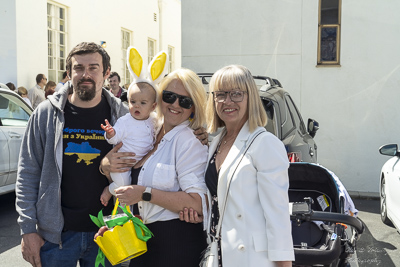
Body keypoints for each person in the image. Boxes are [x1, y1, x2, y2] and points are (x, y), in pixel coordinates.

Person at [15, 42, 129, 267]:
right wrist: (27, 229)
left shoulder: (122, 115)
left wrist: (196, 132)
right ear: (68, 73)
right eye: (78, 68)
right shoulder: (46, 114)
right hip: (56, 237)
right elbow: (27, 172)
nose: (85, 74)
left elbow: (153, 146)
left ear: (106, 73)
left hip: (109, 232)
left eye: (94, 67)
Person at [181, 65, 294, 267]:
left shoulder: (265, 143)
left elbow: (278, 217)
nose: (228, 101)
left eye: (236, 94)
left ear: (250, 97)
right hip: (219, 255)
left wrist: (284, 265)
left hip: (252, 259)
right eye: (221, 94)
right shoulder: (215, 142)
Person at [103, 68, 209, 267]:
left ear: (194, 107)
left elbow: (197, 203)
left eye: (185, 101)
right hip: (143, 242)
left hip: (175, 245)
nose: (175, 104)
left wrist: (144, 194)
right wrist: (105, 165)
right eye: (169, 96)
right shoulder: (150, 127)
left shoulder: (190, 140)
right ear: (159, 99)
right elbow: (123, 168)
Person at [99, 82, 158, 207]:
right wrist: (111, 133)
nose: (137, 106)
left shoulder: (154, 120)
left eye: (143, 103)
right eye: (133, 102)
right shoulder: (125, 121)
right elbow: (115, 138)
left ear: (153, 107)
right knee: (123, 186)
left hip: (142, 165)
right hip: (122, 164)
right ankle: (109, 190)